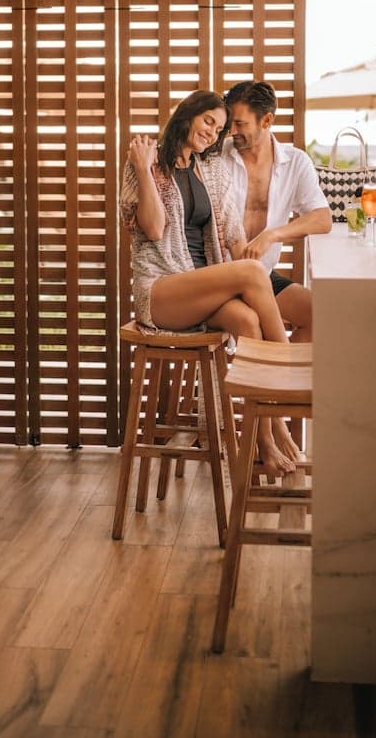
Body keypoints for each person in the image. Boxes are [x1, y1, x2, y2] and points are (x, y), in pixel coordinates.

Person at [120, 89, 299, 475]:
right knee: (251, 272)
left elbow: (233, 234)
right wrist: (143, 168)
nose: (213, 133)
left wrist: (249, 276)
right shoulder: (146, 160)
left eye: (219, 129)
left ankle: (264, 442)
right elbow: (153, 228)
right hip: (161, 292)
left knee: (247, 320)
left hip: (201, 290)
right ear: (187, 114)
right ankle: (287, 372)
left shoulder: (210, 170)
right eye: (208, 122)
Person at [221, 81, 332, 343]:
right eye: (230, 123)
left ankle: (279, 367)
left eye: (240, 124)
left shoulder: (295, 162)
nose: (231, 131)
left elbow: (322, 218)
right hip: (218, 277)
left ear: (267, 120)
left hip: (262, 276)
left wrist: (272, 235)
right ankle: (271, 366)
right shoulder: (216, 157)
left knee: (321, 315)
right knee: (252, 325)